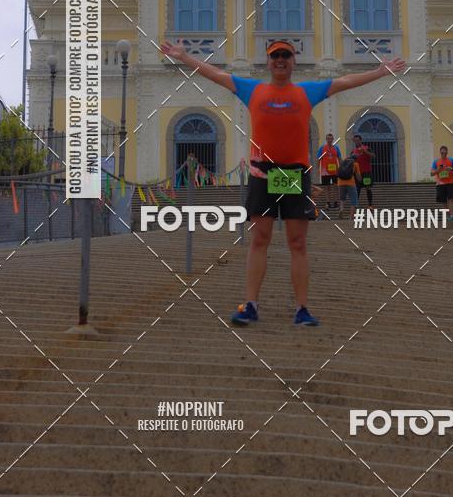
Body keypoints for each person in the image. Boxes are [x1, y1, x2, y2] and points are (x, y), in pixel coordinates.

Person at [161, 38, 406, 327]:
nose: (280, 60)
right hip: (262, 174)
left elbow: (345, 81)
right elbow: (215, 74)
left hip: (293, 174)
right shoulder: (253, 89)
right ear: (268, 62)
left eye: (286, 55)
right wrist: (184, 58)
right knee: (259, 239)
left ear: (293, 62)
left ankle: (302, 308)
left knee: (297, 242)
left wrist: (380, 72)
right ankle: (250, 304)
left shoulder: (306, 91)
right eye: (275, 55)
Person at [430, 145, 453, 221]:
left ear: (447, 152)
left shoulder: (451, 160)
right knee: (443, 201)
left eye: (445, 153)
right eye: (442, 153)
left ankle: (452, 215)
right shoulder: (436, 161)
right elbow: (431, 173)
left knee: (451, 199)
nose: (444, 154)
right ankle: (449, 215)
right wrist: (438, 170)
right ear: (440, 152)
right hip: (440, 184)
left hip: (450, 182)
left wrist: (452, 169)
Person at [316, 133, 342, 211]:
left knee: (335, 187)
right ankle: (328, 202)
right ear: (326, 139)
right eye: (328, 139)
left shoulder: (336, 148)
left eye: (331, 139)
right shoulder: (322, 148)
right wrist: (317, 168)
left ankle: (336, 202)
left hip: (335, 171)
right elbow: (318, 158)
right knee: (327, 187)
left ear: (333, 139)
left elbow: (339, 158)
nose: (330, 140)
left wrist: (341, 167)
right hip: (325, 171)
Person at [351, 134, 374, 206]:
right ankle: (355, 205)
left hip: (367, 172)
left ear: (361, 140)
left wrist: (365, 151)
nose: (357, 142)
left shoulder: (367, 148)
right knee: (357, 189)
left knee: (368, 188)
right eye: (355, 141)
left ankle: (370, 204)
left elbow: (373, 155)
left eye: (358, 140)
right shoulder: (353, 151)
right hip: (357, 173)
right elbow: (351, 161)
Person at [337, 155, 361, 220]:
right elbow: (358, 175)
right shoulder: (355, 164)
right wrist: (360, 180)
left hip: (340, 182)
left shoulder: (343, 162)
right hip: (350, 183)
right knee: (354, 200)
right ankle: (351, 216)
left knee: (342, 199)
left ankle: (341, 210)